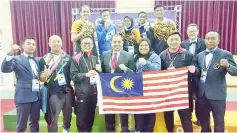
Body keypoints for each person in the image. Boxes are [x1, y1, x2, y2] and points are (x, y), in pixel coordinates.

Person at [194, 31, 237, 132]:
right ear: (204, 40)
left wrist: (228, 66)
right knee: (204, 122)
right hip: (202, 94)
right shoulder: (199, 55)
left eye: (213, 38)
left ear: (218, 40)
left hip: (217, 94)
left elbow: (235, 71)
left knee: (219, 122)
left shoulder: (226, 54)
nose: (210, 41)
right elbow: (199, 72)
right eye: (208, 38)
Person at [1, 37, 42, 132]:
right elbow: (5, 69)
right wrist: (10, 53)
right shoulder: (17, 59)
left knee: (35, 123)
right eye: (29, 43)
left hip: (36, 96)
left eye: (33, 44)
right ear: (23, 46)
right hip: (23, 97)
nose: (31, 46)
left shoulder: (37, 60)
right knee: (21, 125)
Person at [159, 32, 195, 132]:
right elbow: (158, 73)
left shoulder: (187, 54)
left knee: (185, 117)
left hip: (182, 91)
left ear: (180, 41)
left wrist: (194, 69)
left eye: (176, 39)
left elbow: (195, 71)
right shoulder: (162, 55)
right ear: (167, 41)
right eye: (171, 39)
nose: (174, 42)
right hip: (167, 92)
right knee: (168, 116)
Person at [101, 34, 135, 132]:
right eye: (115, 42)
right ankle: (110, 130)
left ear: (122, 43)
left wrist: (126, 69)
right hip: (107, 89)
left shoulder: (129, 55)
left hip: (122, 89)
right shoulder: (104, 54)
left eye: (119, 42)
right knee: (109, 112)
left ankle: (125, 130)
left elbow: (133, 73)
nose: (117, 44)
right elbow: (103, 73)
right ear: (111, 43)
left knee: (123, 113)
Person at [39, 35, 73, 132]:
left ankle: (66, 130)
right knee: (52, 118)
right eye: (54, 41)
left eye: (58, 41)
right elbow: (41, 79)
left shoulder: (68, 58)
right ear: (49, 44)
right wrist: (44, 76)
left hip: (67, 91)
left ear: (61, 43)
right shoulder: (44, 59)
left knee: (68, 116)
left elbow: (72, 74)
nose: (57, 43)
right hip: (53, 92)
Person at [70, 36, 102, 132]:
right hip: (82, 94)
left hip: (93, 93)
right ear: (81, 45)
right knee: (81, 119)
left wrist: (99, 71)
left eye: (89, 43)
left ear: (92, 45)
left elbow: (97, 74)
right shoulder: (76, 58)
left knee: (90, 117)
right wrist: (86, 74)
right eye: (85, 43)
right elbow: (73, 75)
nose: (87, 45)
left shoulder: (94, 58)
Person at [181, 23, 206, 126]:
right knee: (188, 96)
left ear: (198, 32)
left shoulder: (204, 42)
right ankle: (189, 116)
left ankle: (200, 118)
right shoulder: (182, 44)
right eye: (190, 31)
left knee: (200, 97)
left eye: (193, 31)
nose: (192, 33)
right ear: (187, 32)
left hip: (200, 73)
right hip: (187, 74)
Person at [134, 38, 161, 132]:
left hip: (150, 91)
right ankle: (138, 130)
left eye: (146, 45)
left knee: (149, 114)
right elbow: (133, 73)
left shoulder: (155, 57)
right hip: (138, 91)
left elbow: (157, 70)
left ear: (149, 47)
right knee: (138, 114)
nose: (143, 47)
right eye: (141, 45)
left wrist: (146, 63)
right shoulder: (135, 57)